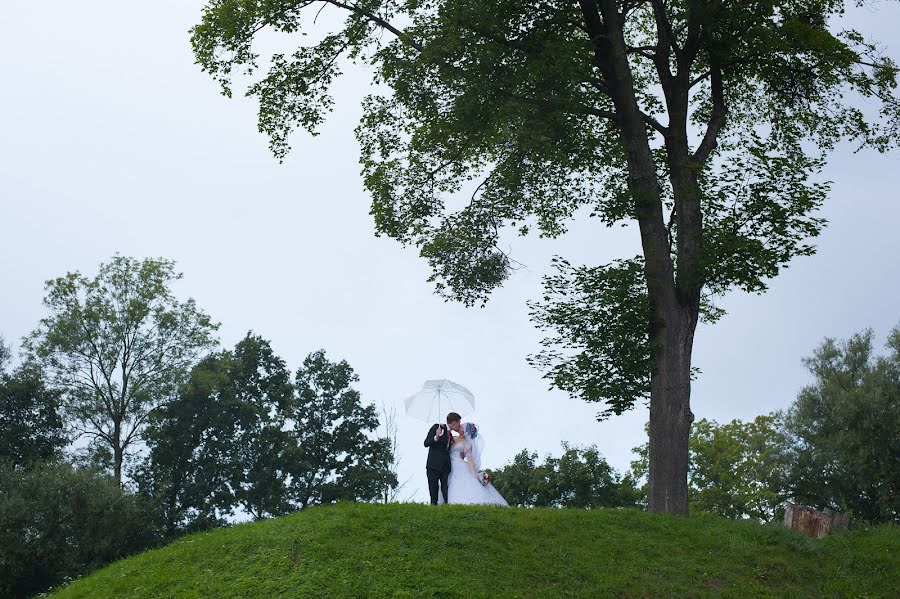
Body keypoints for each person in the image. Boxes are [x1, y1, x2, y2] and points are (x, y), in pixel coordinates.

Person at [447, 421, 508, 506]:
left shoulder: (467, 444)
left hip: (459, 465)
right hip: (448, 464)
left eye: (462, 427)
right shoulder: (453, 438)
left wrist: (475, 475)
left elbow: (470, 460)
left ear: (466, 431)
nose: (460, 427)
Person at [424, 412, 462, 505]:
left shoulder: (451, 435)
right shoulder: (437, 427)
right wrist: (436, 437)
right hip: (434, 465)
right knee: (433, 489)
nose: (459, 425)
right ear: (453, 422)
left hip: (445, 467)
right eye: (459, 423)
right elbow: (426, 443)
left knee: (446, 488)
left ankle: (447, 506)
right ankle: (433, 507)